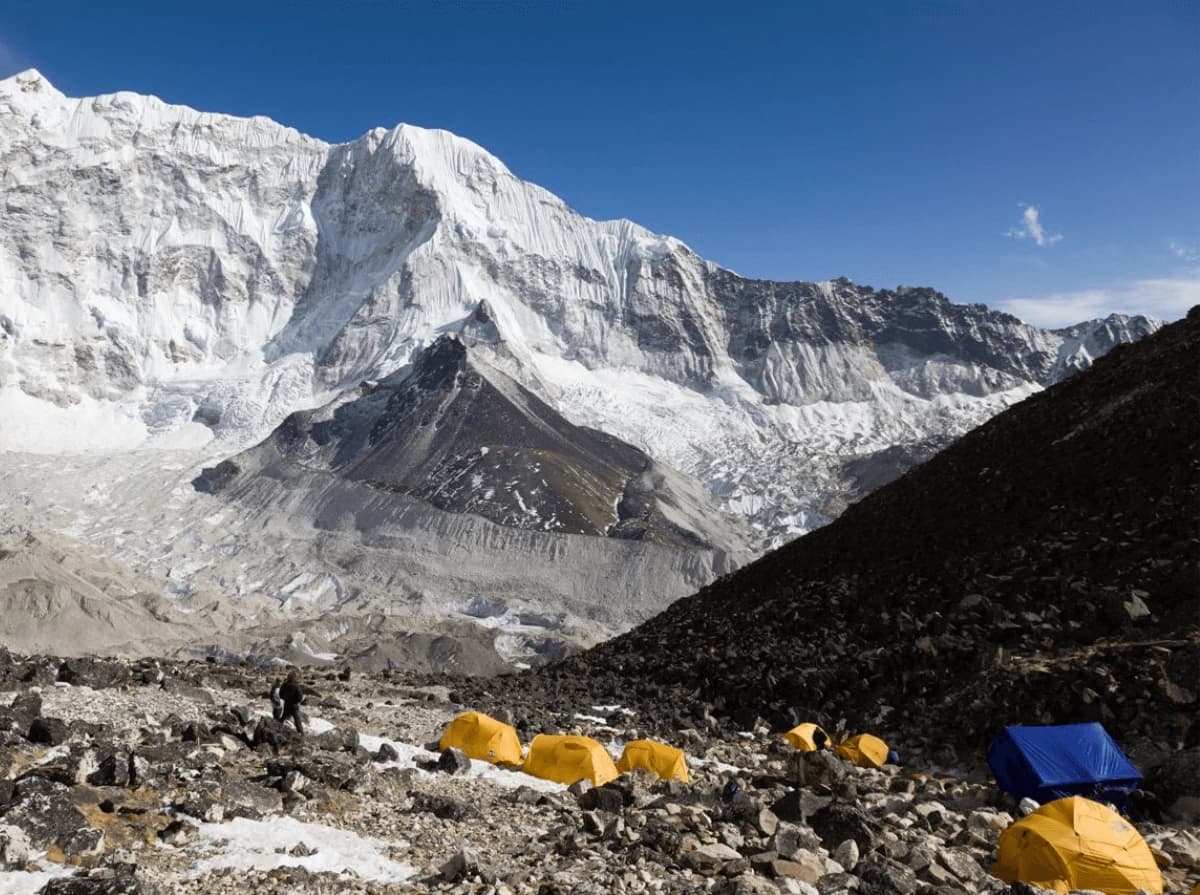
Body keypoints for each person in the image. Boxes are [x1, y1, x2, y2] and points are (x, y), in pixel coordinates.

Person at [278, 669, 306, 735]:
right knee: (297, 720)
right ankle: (301, 733)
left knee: (283, 717)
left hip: (287, 704)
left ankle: (277, 728)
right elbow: (300, 698)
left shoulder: (284, 685)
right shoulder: (297, 686)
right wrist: (299, 700)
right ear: (295, 677)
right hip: (294, 705)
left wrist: (286, 698)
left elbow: (280, 694)